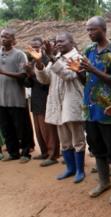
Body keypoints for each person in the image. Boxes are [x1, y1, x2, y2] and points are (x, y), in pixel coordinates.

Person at [71, 16, 111, 205]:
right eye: (87, 30)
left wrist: (92, 69)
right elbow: (87, 81)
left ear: (103, 29)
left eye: (92, 29)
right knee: (96, 146)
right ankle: (104, 182)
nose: (89, 33)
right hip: (90, 108)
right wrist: (80, 74)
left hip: (109, 109)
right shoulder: (89, 50)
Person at [31, 32, 86, 183]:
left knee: (78, 140)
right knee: (65, 140)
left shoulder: (77, 58)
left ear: (71, 42)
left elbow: (68, 75)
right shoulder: (56, 58)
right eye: (57, 41)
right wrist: (40, 64)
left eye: (62, 41)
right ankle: (70, 168)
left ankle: (80, 170)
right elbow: (44, 79)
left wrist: (52, 58)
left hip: (72, 103)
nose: (58, 44)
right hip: (58, 104)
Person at [24, 37, 60, 167]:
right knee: (39, 129)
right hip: (35, 99)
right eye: (32, 47)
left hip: (45, 98)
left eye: (37, 46)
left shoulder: (46, 61)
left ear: (43, 47)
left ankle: (53, 154)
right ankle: (44, 151)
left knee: (48, 129)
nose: (35, 49)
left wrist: (32, 74)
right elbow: (28, 84)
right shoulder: (32, 61)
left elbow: (45, 82)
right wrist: (28, 74)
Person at [0, 28, 32, 162]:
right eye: (2, 36)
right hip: (1, 99)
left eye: (7, 36)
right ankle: (13, 153)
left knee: (21, 127)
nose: (3, 39)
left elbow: (23, 74)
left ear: (13, 40)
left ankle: (25, 153)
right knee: (6, 128)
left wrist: (4, 72)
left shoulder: (19, 54)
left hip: (16, 98)